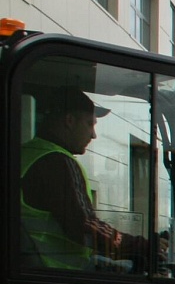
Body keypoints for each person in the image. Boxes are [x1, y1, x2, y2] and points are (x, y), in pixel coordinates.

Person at [19, 87, 162, 273]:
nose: (93, 135)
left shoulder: (27, 153)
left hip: (33, 269)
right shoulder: (57, 162)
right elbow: (85, 227)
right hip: (56, 276)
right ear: (69, 121)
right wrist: (141, 246)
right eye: (89, 124)